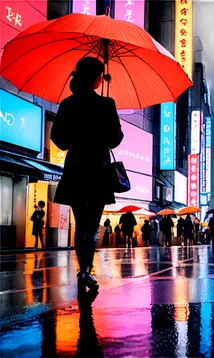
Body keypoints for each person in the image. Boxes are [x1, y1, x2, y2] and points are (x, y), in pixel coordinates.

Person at [50, 57, 123, 291]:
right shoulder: (106, 104)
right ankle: (85, 271)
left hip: (75, 170)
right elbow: (115, 139)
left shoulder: (68, 104)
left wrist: (76, 137)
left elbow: (58, 140)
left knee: (81, 223)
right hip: (99, 172)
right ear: (97, 78)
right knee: (92, 226)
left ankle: (83, 271)